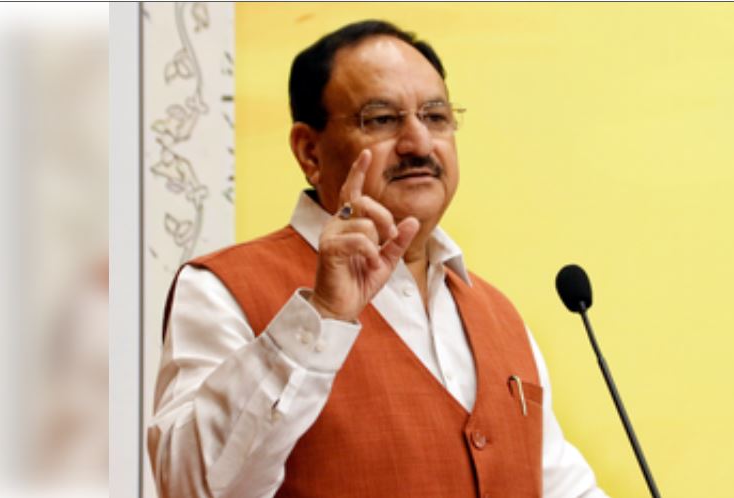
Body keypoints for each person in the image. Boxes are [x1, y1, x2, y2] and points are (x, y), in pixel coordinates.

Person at [148, 20, 608, 498]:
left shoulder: (499, 316)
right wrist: (322, 316)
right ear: (310, 152)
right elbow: (190, 488)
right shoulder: (222, 289)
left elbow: (563, 488)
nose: (419, 143)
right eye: (382, 119)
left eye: (435, 116)